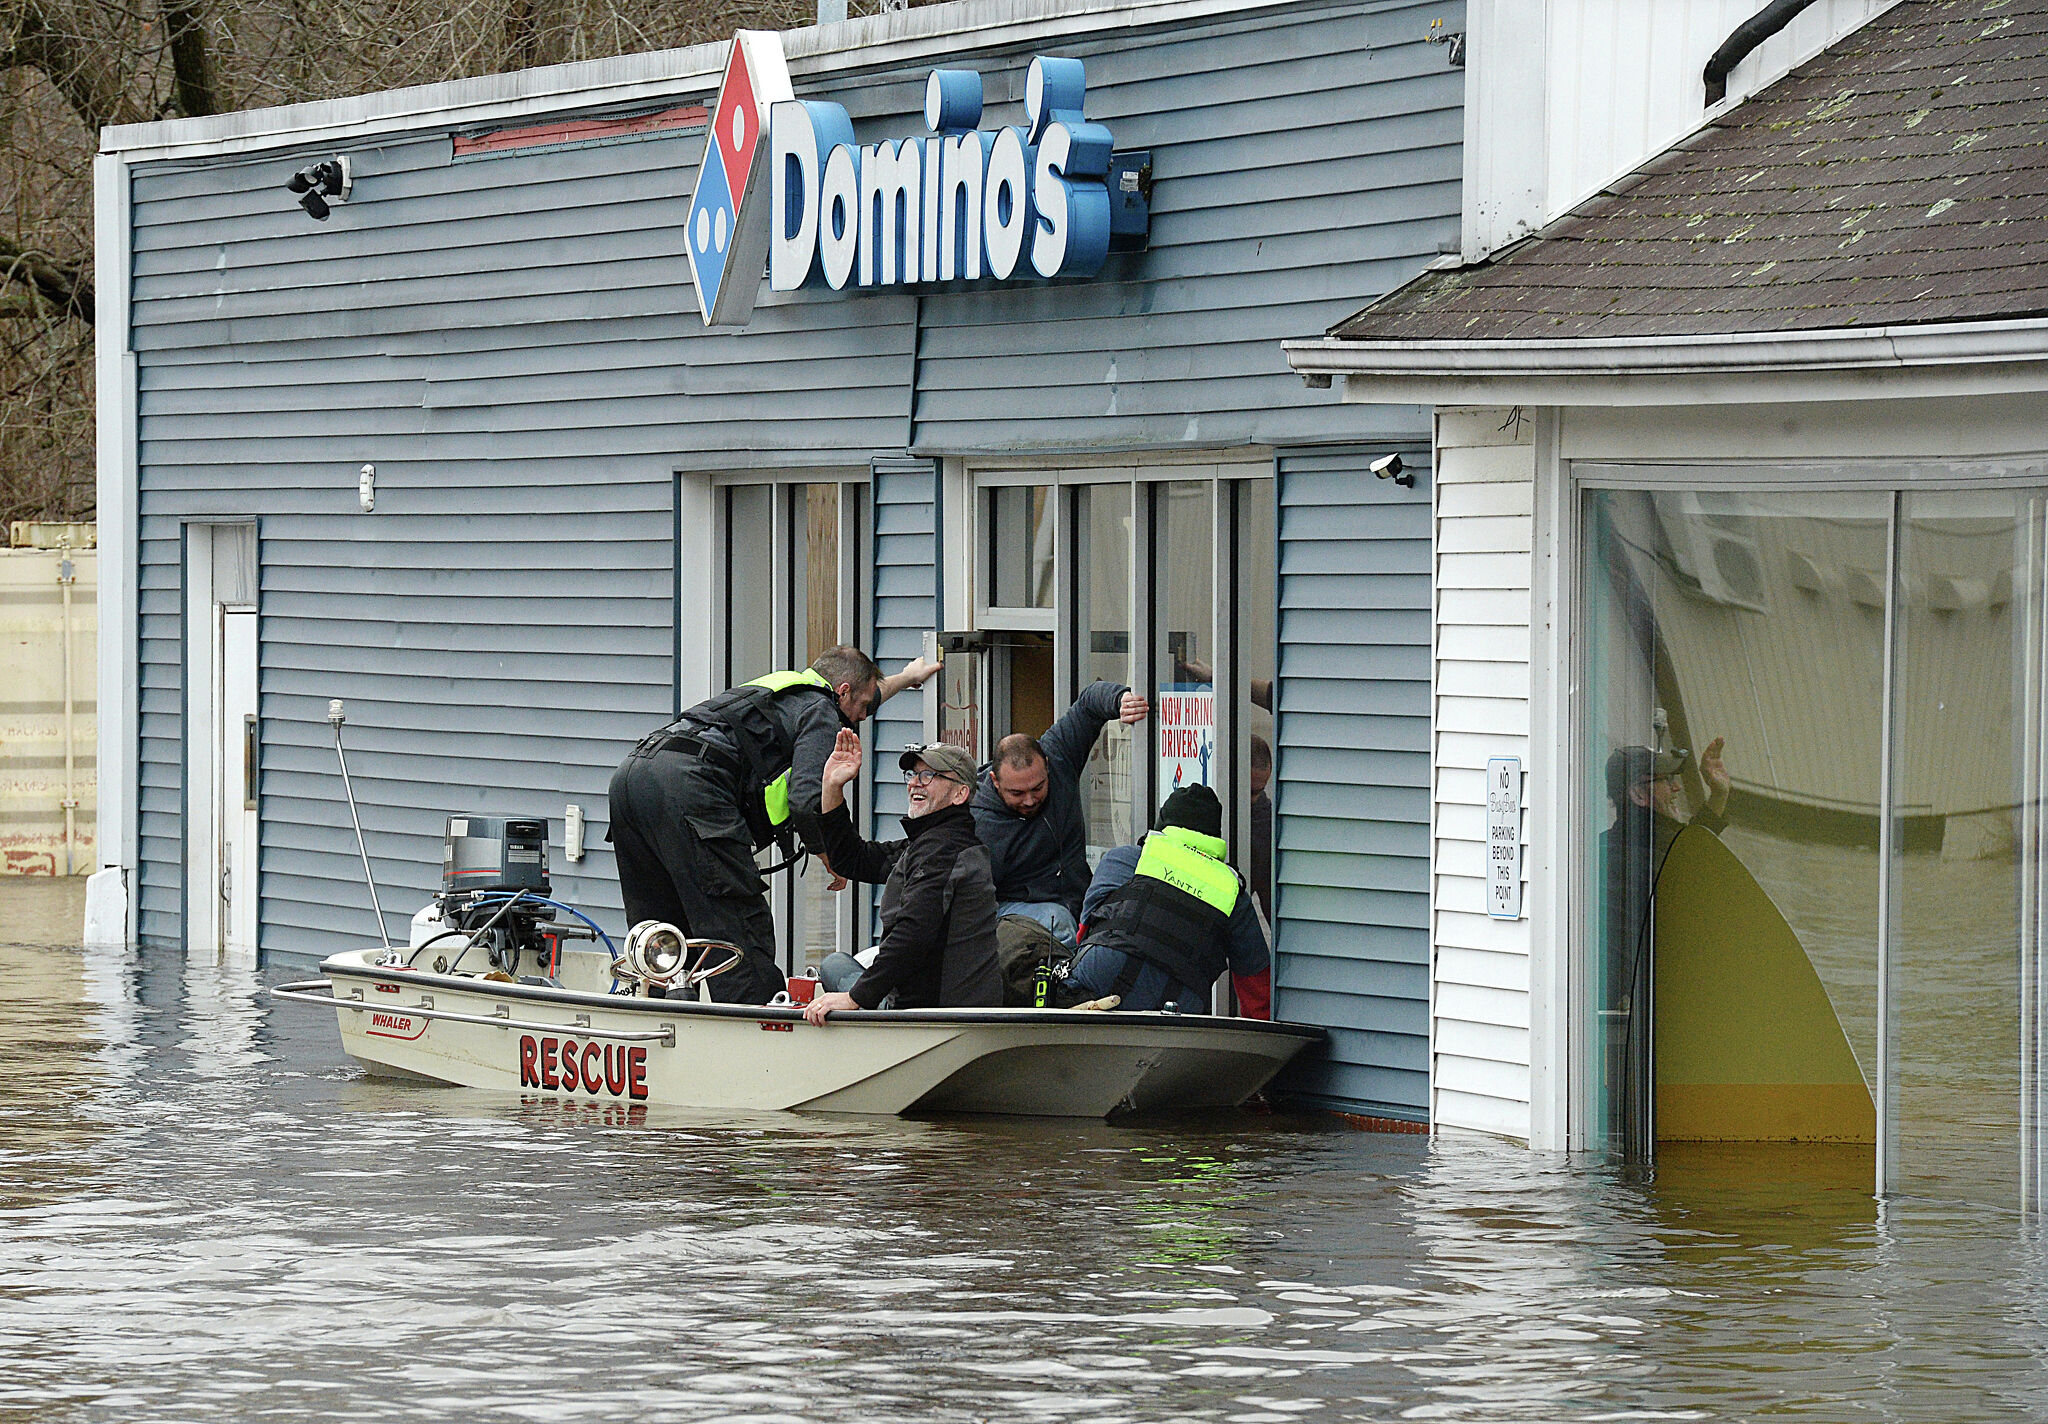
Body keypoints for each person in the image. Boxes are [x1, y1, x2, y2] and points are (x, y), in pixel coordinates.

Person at [607, 645, 939, 1004]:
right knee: (737, 937)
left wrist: (906, 678)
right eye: (861, 712)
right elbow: (805, 798)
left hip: (633, 776)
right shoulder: (822, 712)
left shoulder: (784, 689)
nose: (859, 721)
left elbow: (861, 693)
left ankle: (658, 1025)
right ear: (842, 692)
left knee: (658, 936)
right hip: (692, 790)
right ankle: (757, 1041)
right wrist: (828, 853)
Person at [803, 734, 1004, 1023]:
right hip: (947, 1005)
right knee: (840, 964)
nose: (914, 783)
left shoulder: (943, 851)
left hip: (933, 1013)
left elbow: (914, 933)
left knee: (834, 965)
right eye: (913, 774)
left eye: (929, 775)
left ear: (960, 794)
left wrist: (856, 997)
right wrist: (832, 786)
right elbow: (852, 859)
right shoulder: (933, 844)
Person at [1063, 784, 1271, 1017]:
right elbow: (1256, 988)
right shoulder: (1232, 892)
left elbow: (1085, 932)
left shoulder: (1124, 859)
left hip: (1101, 973)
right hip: (1179, 1001)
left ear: (1161, 829)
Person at [970, 680, 1149, 946]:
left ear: (1047, 767)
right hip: (1011, 914)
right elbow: (972, 904)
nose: (1030, 800)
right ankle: (1070, 985)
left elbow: (1088, 705)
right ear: (995, 781)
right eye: (1017, 793)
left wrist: (1120, 700)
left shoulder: (1059, 756)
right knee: (1057, 921)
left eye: (1038, 787)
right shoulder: (980, 823)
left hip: (1077, 897)